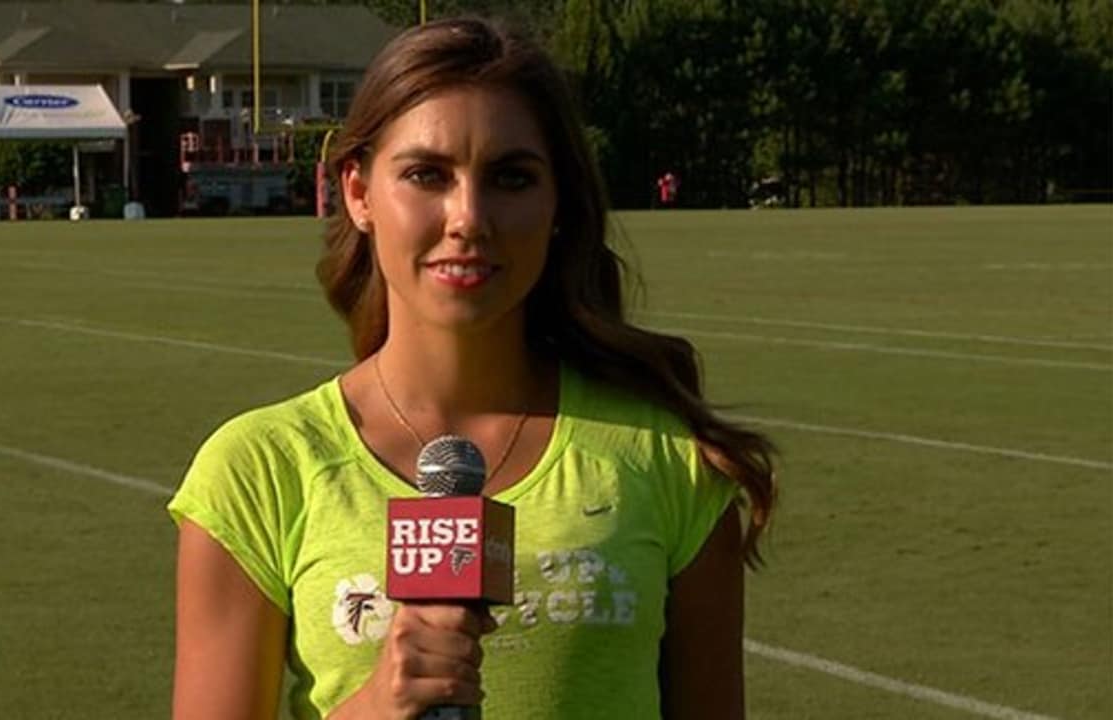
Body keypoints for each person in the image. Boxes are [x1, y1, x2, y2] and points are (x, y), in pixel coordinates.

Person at [169, 17, 776, 720]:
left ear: (557, 205)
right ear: (359, 194)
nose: (469, 217)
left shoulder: (669, 459)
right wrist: (375, 705)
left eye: (511, 178)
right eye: (427, 174)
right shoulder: (259, 469)